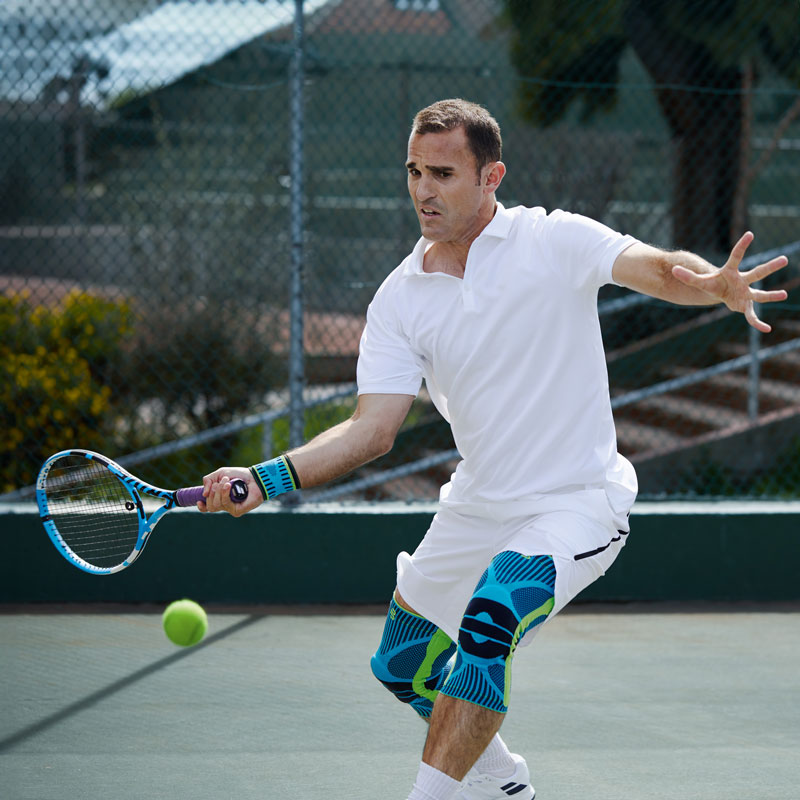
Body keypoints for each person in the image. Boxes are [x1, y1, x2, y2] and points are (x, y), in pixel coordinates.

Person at [200, 99, 789, 800]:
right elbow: (371, 430)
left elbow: (657, 268)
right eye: (414, 171)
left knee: (492, 617)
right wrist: (266, 478)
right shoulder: (398, 300)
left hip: (578, 504)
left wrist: (713, 285)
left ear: (491, 177)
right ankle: (503, 782)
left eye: (443, 173)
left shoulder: (553, 240)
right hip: (478, 505)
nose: (423, 189)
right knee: (404, 666)